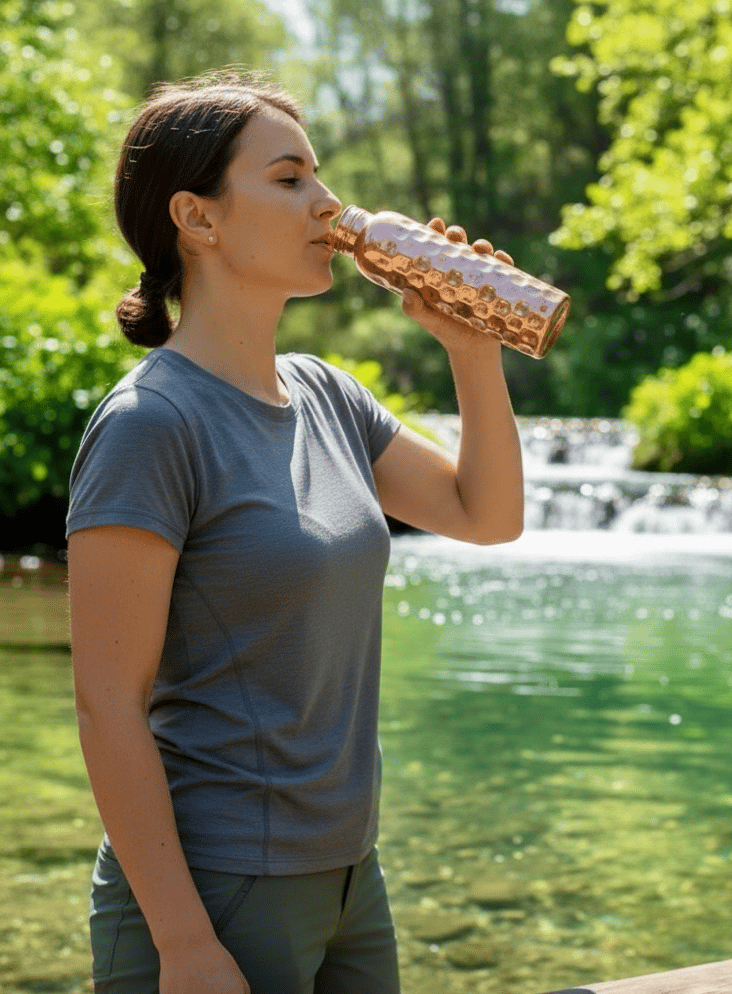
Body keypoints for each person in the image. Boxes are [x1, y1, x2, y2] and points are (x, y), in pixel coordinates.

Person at [66, 71, 524, 994]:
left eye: (320, 176)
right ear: (197, 218)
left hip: (353, 876)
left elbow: (489, 517)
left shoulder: (326, 393)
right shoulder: (152, 423)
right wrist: (187, 945)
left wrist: (471, 346)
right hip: (217, 892)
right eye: (289, 180)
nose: (329, 203)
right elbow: (107, 705)